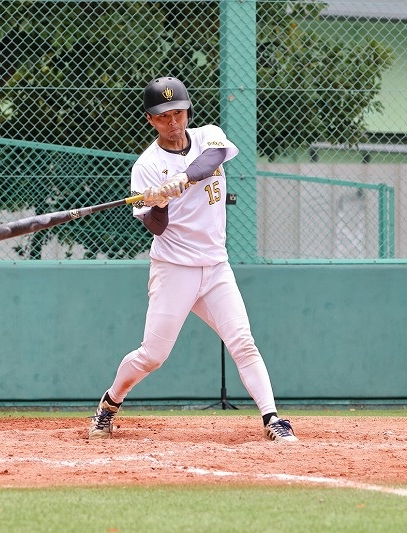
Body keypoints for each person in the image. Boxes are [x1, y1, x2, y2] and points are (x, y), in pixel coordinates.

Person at [88, 76, 298, 442]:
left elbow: (211, 160)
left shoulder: (208, 137)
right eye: (163, 116)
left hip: (216, 266)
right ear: (150, 120)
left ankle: (273, 419)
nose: (172, 122)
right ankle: (110, 402)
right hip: (175, 270)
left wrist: (182, 178)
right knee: (153, 356)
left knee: (243, 341)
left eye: (178, 113)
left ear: (188, 112)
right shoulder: (146, 166)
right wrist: (159, 202)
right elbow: (156, 227)